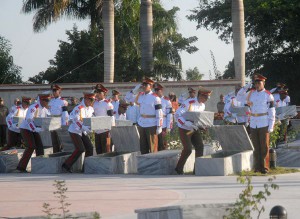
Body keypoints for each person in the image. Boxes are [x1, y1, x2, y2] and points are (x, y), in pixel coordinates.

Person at [240, 74, 275, 174]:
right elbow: (239, 97)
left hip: (264, 121)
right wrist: (246, 86)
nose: (257, 85)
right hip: (253, 122)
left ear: (263, 83)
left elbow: (272, 111)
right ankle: (257, 167)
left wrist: (271, 125)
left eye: (259, 83)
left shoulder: (268, 95)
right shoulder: (251, 94)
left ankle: (265, 167)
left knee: (264, 146)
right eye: (255, 83)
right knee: (255, 146)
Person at [174, 86, 212, 175]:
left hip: (194, 129)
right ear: (200, 95)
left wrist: (203, 126)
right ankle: (178, 169)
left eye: (207, 98)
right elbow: (177, 115)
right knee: (188, 149)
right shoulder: (188, 103)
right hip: (185, 129)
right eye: (205, 97)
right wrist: (186, 123)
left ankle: (197, 169)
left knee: (200, 146)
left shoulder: (202, 105)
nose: (206, 99)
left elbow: (199, 118)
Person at [17, 93, 51, 172]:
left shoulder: (45, 109)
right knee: (31, 146)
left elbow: (49, 118)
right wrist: (34, 129)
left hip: (35, 129)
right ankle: (21, 167)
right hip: (26, 128)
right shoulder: (34, 107)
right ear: (41, 100)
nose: (47, 102)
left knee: (40, 146)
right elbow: (29, 119)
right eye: (46, 100)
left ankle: (39, 166)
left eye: (48, 101)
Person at [61, 92, 95, 173]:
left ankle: (86, 167)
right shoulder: (78, 108)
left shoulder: (90, 109)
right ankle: (66, 165)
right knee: (80, 148)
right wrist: (83, 127)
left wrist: (92, 127)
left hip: (83, 131)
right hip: (75, 130)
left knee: (90, 147)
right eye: (91, 100)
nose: (92, 102)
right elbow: (75, 120)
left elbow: (91, 119)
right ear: (86, 99)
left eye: (93, 100)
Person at [136, 77, 163, 154]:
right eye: (143, 84)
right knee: (143, 147)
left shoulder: (155, 98)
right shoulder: (141, 96)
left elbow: (159, 113)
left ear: (150, 86)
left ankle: (153, 165)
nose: (143, 86)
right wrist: (136, 89)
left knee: (152, 147)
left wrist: (159, 126)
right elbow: (129, 98)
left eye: (145, 85)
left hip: (151, 124)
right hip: (142, 123)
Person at [93, 84, 114, 154]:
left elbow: (111, 117)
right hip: (97, 130)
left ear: (104, 94)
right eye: (97, 92)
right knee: (98, 149)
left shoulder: (107, 104)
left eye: (99, 93)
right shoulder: (94, 103)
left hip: (105, 130)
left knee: (106, 150)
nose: (97, 94)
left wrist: (111, 129)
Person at [48, 84, 69, 153]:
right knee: (54, 141)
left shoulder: (63, 101)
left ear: (59, 91)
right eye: (53, 91)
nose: (54, 92)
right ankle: (55, 155)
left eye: (55, 91)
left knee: (60, 141)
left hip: (59, 122)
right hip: (52, 122)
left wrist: (64, 124)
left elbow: (65, 114)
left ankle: (61, 155)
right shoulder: (51, 101)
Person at [153, 82, 173, 151]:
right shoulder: (153, 99)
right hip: (154, 123)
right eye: (155, 90)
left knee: (164, 144)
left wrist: (169, 127)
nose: (156, 92)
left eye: (157, 90)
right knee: (155, 145)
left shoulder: (166, 101)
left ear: (161, 90)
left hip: (163, 124)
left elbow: (170, 115)